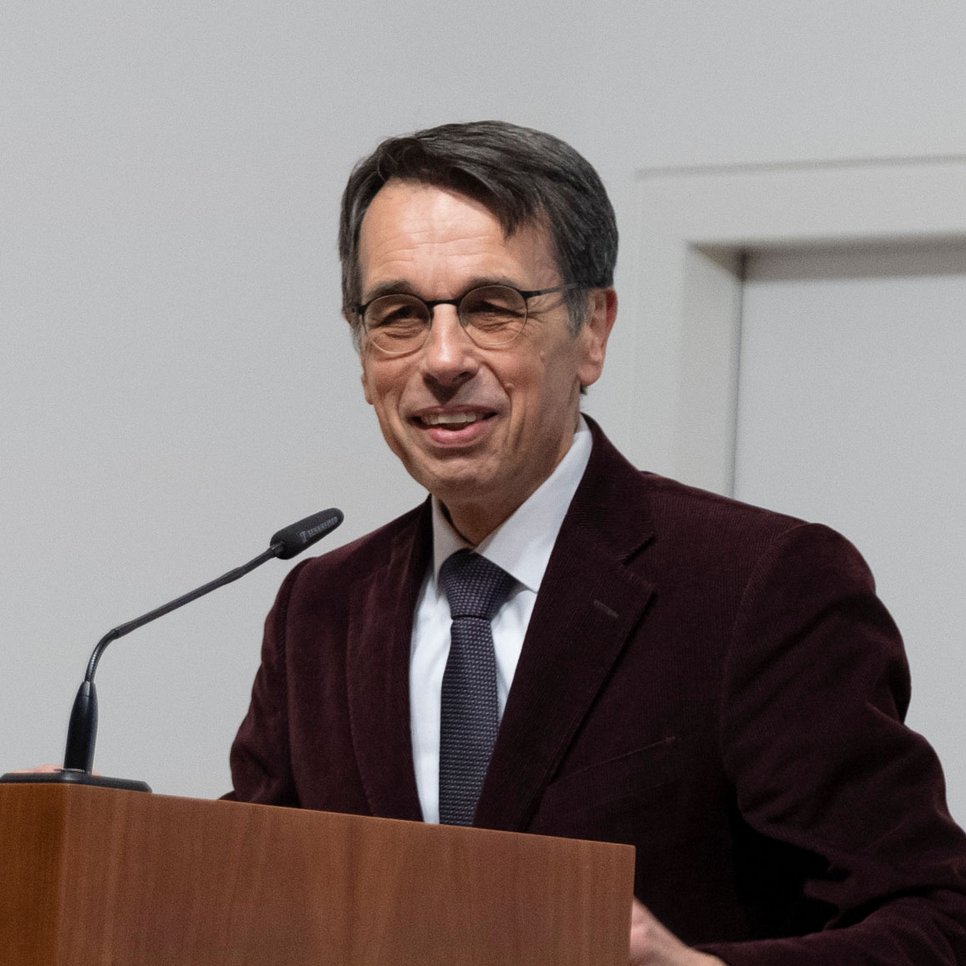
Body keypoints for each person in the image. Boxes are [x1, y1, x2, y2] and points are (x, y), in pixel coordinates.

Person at [227, 121, 966, 964]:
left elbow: (937, 920)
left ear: (593, 331)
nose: (440, 359)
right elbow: (252, 891)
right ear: (363, 354)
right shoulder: (321, 607)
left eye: (491, 309)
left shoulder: (757, 586)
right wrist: (74, 835)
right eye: (397, 315)